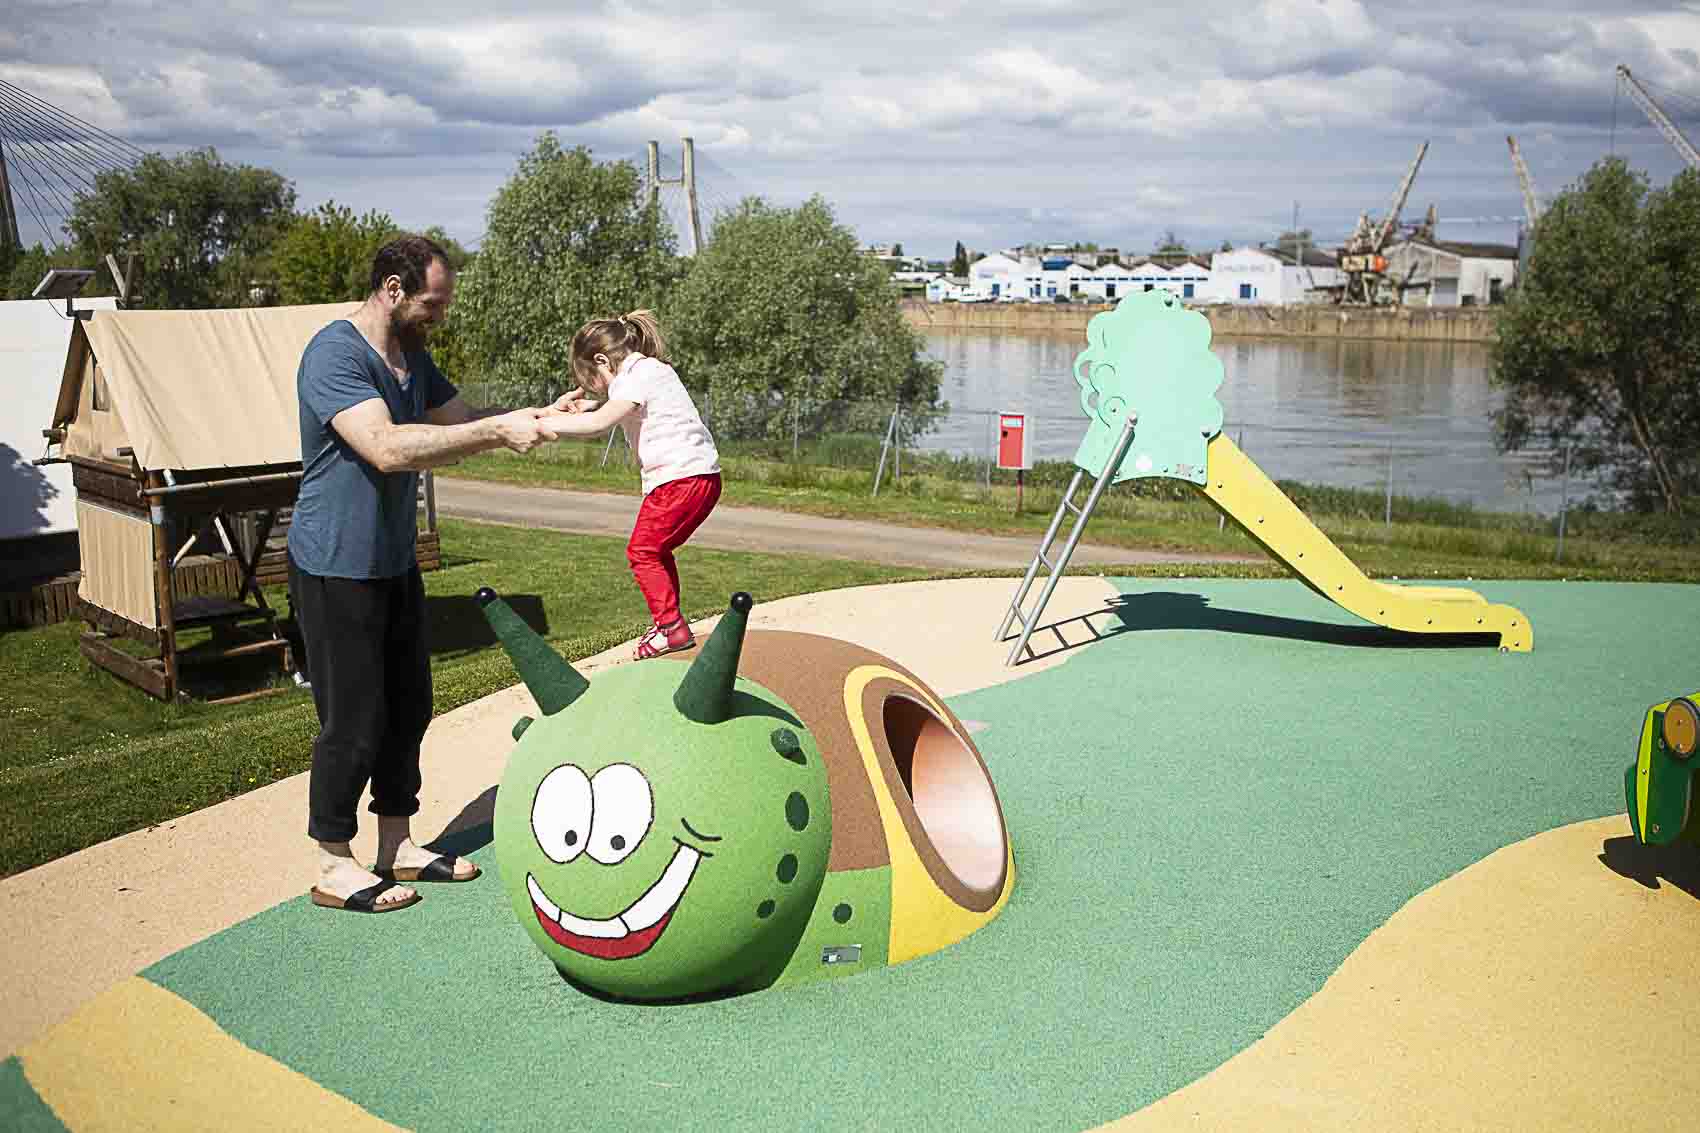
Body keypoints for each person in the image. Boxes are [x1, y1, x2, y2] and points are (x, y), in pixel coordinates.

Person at [289, 234, 557, 914]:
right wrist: (496, 433)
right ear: (393, 290)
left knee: (408, 706)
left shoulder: (412, 357)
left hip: (391, 561)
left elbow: (461, 422)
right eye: (433, 303)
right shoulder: (334, 355)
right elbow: (385, 447)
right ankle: (332, 860)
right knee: (352, 718)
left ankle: (397, 844)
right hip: (334, 565)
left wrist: (544, 418)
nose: (440, 315)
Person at [545, 310, 721, 660]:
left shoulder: (630, 378)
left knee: (642, 552)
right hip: (704, 477)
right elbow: (621, 405)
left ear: (602, 360)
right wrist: (586, 404)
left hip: (677, 479)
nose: (595, 387)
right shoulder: (652, 369)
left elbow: (599, 425)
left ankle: (671, 629)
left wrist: (546, 424)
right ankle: (668, 622)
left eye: (592, 379)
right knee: (656, 551)